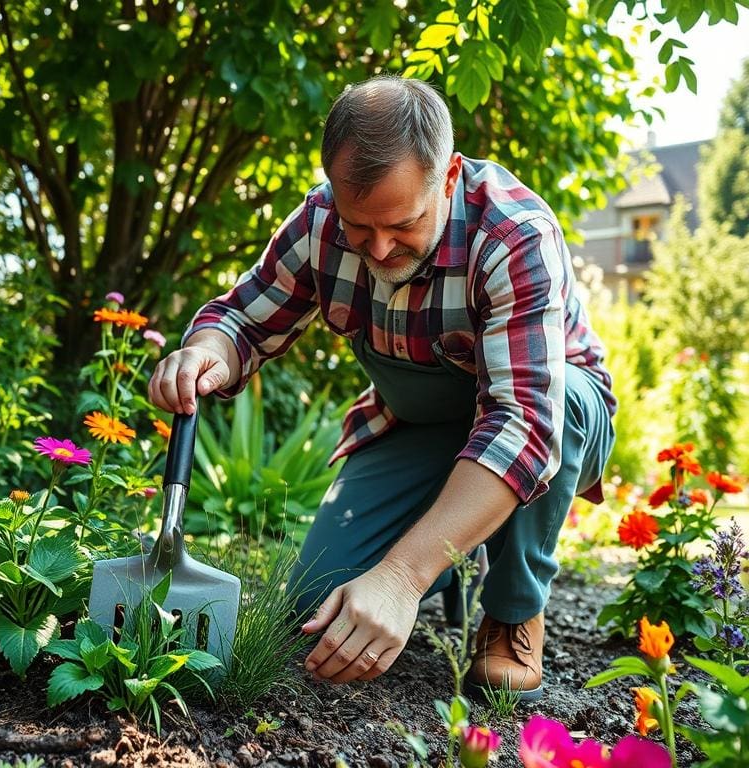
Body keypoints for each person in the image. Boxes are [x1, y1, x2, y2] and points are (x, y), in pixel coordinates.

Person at [148, 75, 615, 700]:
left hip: (542, 417)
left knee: (561, 410)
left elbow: (526, 426)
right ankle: (452, 560)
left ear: (447, 178)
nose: (380, 247)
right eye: (359, 227)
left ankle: (509, 611)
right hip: (416, 424)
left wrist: (400, 578)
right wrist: (204, 354)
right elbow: (241, 320)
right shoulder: (320, 223)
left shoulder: (513, 234)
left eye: (402, 224)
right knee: (319, 610)